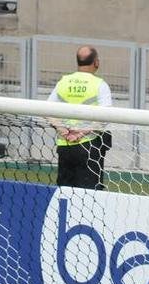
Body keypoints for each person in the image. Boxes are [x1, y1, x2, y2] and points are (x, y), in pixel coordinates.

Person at [48, 46, 113, 190]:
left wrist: (63, 130)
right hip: (88, 146)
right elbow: (106, 116)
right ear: (96, 62)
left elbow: (47, 110)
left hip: (65, 147)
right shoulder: (99, 85)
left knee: (64, 192)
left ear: (78, 62)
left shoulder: (64, 82)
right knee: (89, 195)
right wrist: (82, 133)